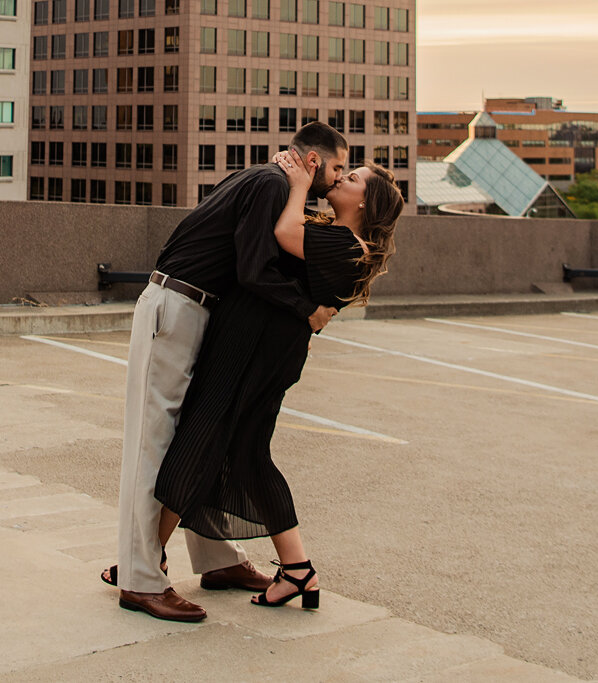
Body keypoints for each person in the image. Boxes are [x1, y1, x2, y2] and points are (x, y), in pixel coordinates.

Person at [106, 121, 351, 623]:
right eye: (338, 167)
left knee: (199, 438)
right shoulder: (269, 184)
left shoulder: (268, 184)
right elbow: (254, 269)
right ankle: (139, 579)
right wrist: (309, 309)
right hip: (175, 307)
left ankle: (217, 560)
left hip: (196, 312)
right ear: (312, 162)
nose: (337, 178)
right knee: (153, 445)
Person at [152, 152, 404, 613]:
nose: (341, 179)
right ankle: (297, 568)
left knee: (199, 440)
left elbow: (284, 234)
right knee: (246, 454)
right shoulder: (337, 236)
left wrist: (295, 185)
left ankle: (147, 559)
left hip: (254, 351)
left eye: (351, 179)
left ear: (365, 204)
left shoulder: (349, 244)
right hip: (262, 348)